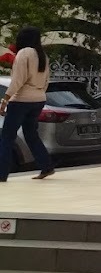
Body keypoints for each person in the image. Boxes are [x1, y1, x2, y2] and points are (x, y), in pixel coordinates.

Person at [1, 26, 56, 182]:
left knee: (7, 137)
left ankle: (1, 174)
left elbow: (18, 80)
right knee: (31, 135)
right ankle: (46, 166)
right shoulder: (42, 55)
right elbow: (46, 81)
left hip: (21, 100)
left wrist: (5, 99)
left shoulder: (24, 53)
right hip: (38, 98)